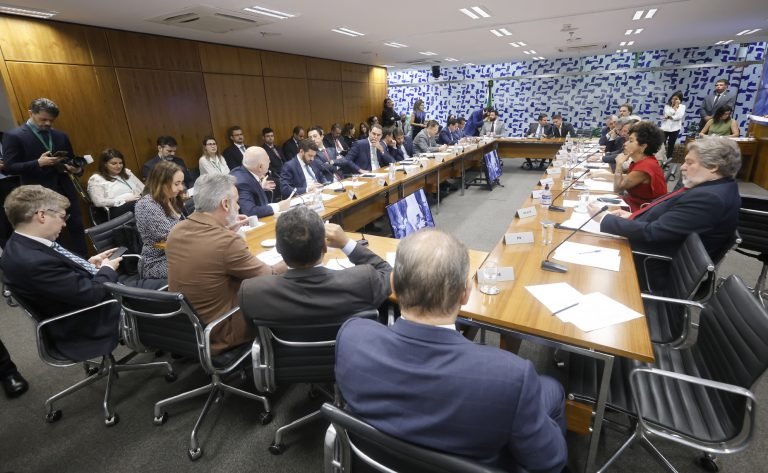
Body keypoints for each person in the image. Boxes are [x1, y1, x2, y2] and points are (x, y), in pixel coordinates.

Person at [335, 229, 567, 473]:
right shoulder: (512, 377)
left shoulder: (352, 338)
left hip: (376, 463)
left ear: (392, 284)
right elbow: (549, 463)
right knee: (552, 388)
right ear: (465, 293)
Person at [166, 173, 286, 354]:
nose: (238, 206)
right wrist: (297, 256)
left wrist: (226, 231)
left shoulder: (176, 231)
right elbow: (271, 276)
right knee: (284, 291)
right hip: (222, 332)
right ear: (225, 204)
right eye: (236, 201)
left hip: (188, 329)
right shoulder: (226, 242)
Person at [1, 185, 123, 361]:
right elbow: (92, 295)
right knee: (160, 292)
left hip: (78, 307)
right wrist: (107, 269)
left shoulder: (22, 244)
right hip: (88, 321)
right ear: (42, 216)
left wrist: (87, 264)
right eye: (62, 217)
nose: (64, 224)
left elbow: (58, 279)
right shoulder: (33, 261)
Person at [591, 137, 741, 261]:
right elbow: (670, 222)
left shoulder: (709, 198)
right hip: (651, 249)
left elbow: (653, 233)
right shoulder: (716, 187)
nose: (682, 167)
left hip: (649, 261)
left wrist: (605, 219)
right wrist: (632, 216)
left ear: (713, 166)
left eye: (689, 163)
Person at [239, 206, 391, 323]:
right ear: (325, 247)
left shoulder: (252, 292)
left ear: (278, 249)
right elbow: (389, 273)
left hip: (289, 355)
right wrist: (346, 243)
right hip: (349, 352)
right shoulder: (364, 280)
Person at [1, 98, 88, 256]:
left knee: (77, 229)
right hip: (38, 195)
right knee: (52, 236)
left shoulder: (60, 136)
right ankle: (60, 268)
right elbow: (10, 167)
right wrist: (38, 163)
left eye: (51, 120)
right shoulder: (14, 136)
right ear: (31, 113)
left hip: (66, 190)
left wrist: (76, 169)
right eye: (43, 119)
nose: (48, 123)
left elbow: (71, 160)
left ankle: (86, 264)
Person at [590, 121, 667, 212]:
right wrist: (602, 174)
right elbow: (627, 177)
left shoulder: (645, 166)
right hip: (633, 203)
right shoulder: (644, 161)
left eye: (631, 141)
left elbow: (617, 188)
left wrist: (619, 164)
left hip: (642, 211)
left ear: (643, 146)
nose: (625, 144)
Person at [135, 161, 185, 279]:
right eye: (177, 183)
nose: (181, 188)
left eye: (181, 183)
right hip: (156, 261)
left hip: (178, 254)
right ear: (161, 183)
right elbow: (170, 236)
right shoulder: (147, 204)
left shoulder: (171, 198)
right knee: (202, 263)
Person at [231, 147, 288, 218]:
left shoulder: (240, 171)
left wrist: (260, 186)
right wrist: (278, 206)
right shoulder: (243, 183)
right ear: (260, 167)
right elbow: (249, 212)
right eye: (268, 160)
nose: (270, 162)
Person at [87, 148, 144, 218]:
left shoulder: (126, 172)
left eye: (120, 163)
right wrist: (125, 200)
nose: (119, 166)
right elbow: (98, 202)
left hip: (136, 202)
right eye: (114, 163)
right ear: (104, 164)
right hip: (114, 209)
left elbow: (143, 188)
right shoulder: (96, 179)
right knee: (142, 204)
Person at [260, 127, 285, 199]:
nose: (270, 138)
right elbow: (267, 166)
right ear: (263, 138)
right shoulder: (263, 150)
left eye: (272, 136)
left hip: (284, 171)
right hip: (275, 174)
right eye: (268, 136)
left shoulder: (278, 148)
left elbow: (284, 160)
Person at [661, 91, 686, 159]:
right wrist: (674, 107)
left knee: (671, 144)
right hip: (665, 128)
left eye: (676, 99)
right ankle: (661, 158)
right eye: (673, 98)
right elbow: (668, 114)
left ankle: (668, 159)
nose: (674, 100)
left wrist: (670, 117)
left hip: (675, 128)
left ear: (680, 100)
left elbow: (679, 117)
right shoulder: (667, 106)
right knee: (662, 144)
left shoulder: (682, 107)